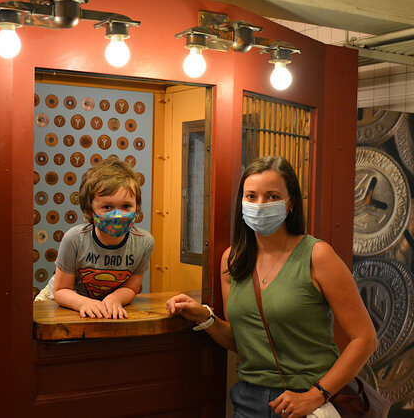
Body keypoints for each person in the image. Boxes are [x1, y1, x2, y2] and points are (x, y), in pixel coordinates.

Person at [166, 156, 377, 417]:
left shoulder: (317, 255)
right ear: (241, 203)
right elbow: (243, 340)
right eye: (251, 196)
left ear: (290, 204)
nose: (260, 204)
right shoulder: (232, 260)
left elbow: (365, 339)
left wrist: (316, 394)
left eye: (273, 196)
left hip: (309, 401)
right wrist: (206, 318)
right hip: (248, 400)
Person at [36, 155, 154, 319]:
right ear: (90, 210)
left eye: (126, 206)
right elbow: (61, 290)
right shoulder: (74, 239)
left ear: (137, 207)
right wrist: (84, 303)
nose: (118, 214)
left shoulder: (144, 242)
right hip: (61, 300)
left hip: (103, 306)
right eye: (107, 207)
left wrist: (114, 298)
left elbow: (132, 288)